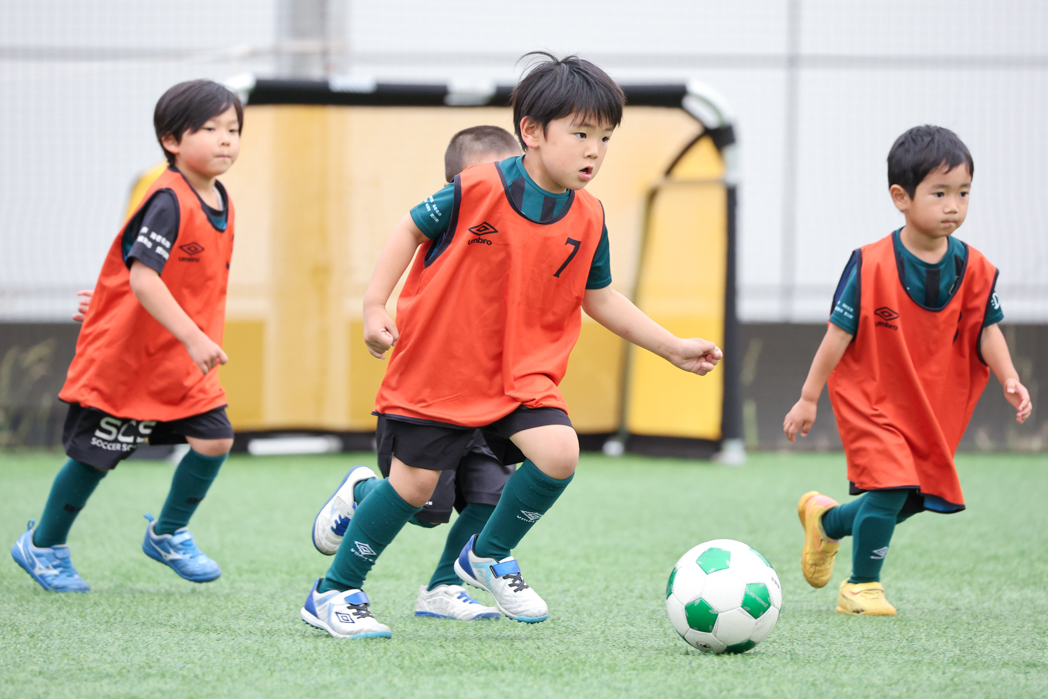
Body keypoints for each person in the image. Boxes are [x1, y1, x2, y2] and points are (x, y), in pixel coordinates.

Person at [300, 53, 723, 640]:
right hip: (442, 370)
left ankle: (485, 552)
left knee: (559, 453)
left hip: (521, 376)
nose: (595, 151)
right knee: (416, 493)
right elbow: (409, 229)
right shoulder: (476, 188)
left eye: (605, 138)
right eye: (581, 134)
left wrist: (671, 347)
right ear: (532, 131)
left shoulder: (590, 216)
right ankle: (334, 591)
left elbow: (599, 296)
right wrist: (376, 305)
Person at [783, 125, 1033, 615]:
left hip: (929, 405)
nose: (953, 206)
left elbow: (987, 329)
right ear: (901, 197)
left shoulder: (975, 268)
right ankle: (861, 587)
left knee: (912, 497)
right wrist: (809, 397)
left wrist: (1009, 377)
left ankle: (826, 523)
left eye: (963, 193)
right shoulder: (871, 264)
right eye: (939, 193)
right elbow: (837, 335)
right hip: (872, 398)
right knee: (892, 486)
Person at [11, 80, 243, 592]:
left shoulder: (221, 197)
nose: (226, 139)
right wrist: (192, 336)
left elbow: (154, 278)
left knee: (215, 438)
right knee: (95, 458)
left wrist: (110, 302)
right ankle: (44, 544)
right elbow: (143, 277)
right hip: (131, 362)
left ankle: (169, 533)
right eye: (210, 129)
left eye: (233, 129)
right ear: (171, 140)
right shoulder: (167, 198)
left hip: (178, 361)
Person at [311, 125, 523, 622]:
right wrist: (374, 304)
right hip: (430, 393)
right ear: (455, 188)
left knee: (493, 497)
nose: (500, 190)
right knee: (424, 506)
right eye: (486, 179)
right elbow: (406, 230)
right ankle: (363, 493)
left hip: (491, 395)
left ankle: (444, 587)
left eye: (510, 178)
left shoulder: (526, 231)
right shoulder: (449, 219)